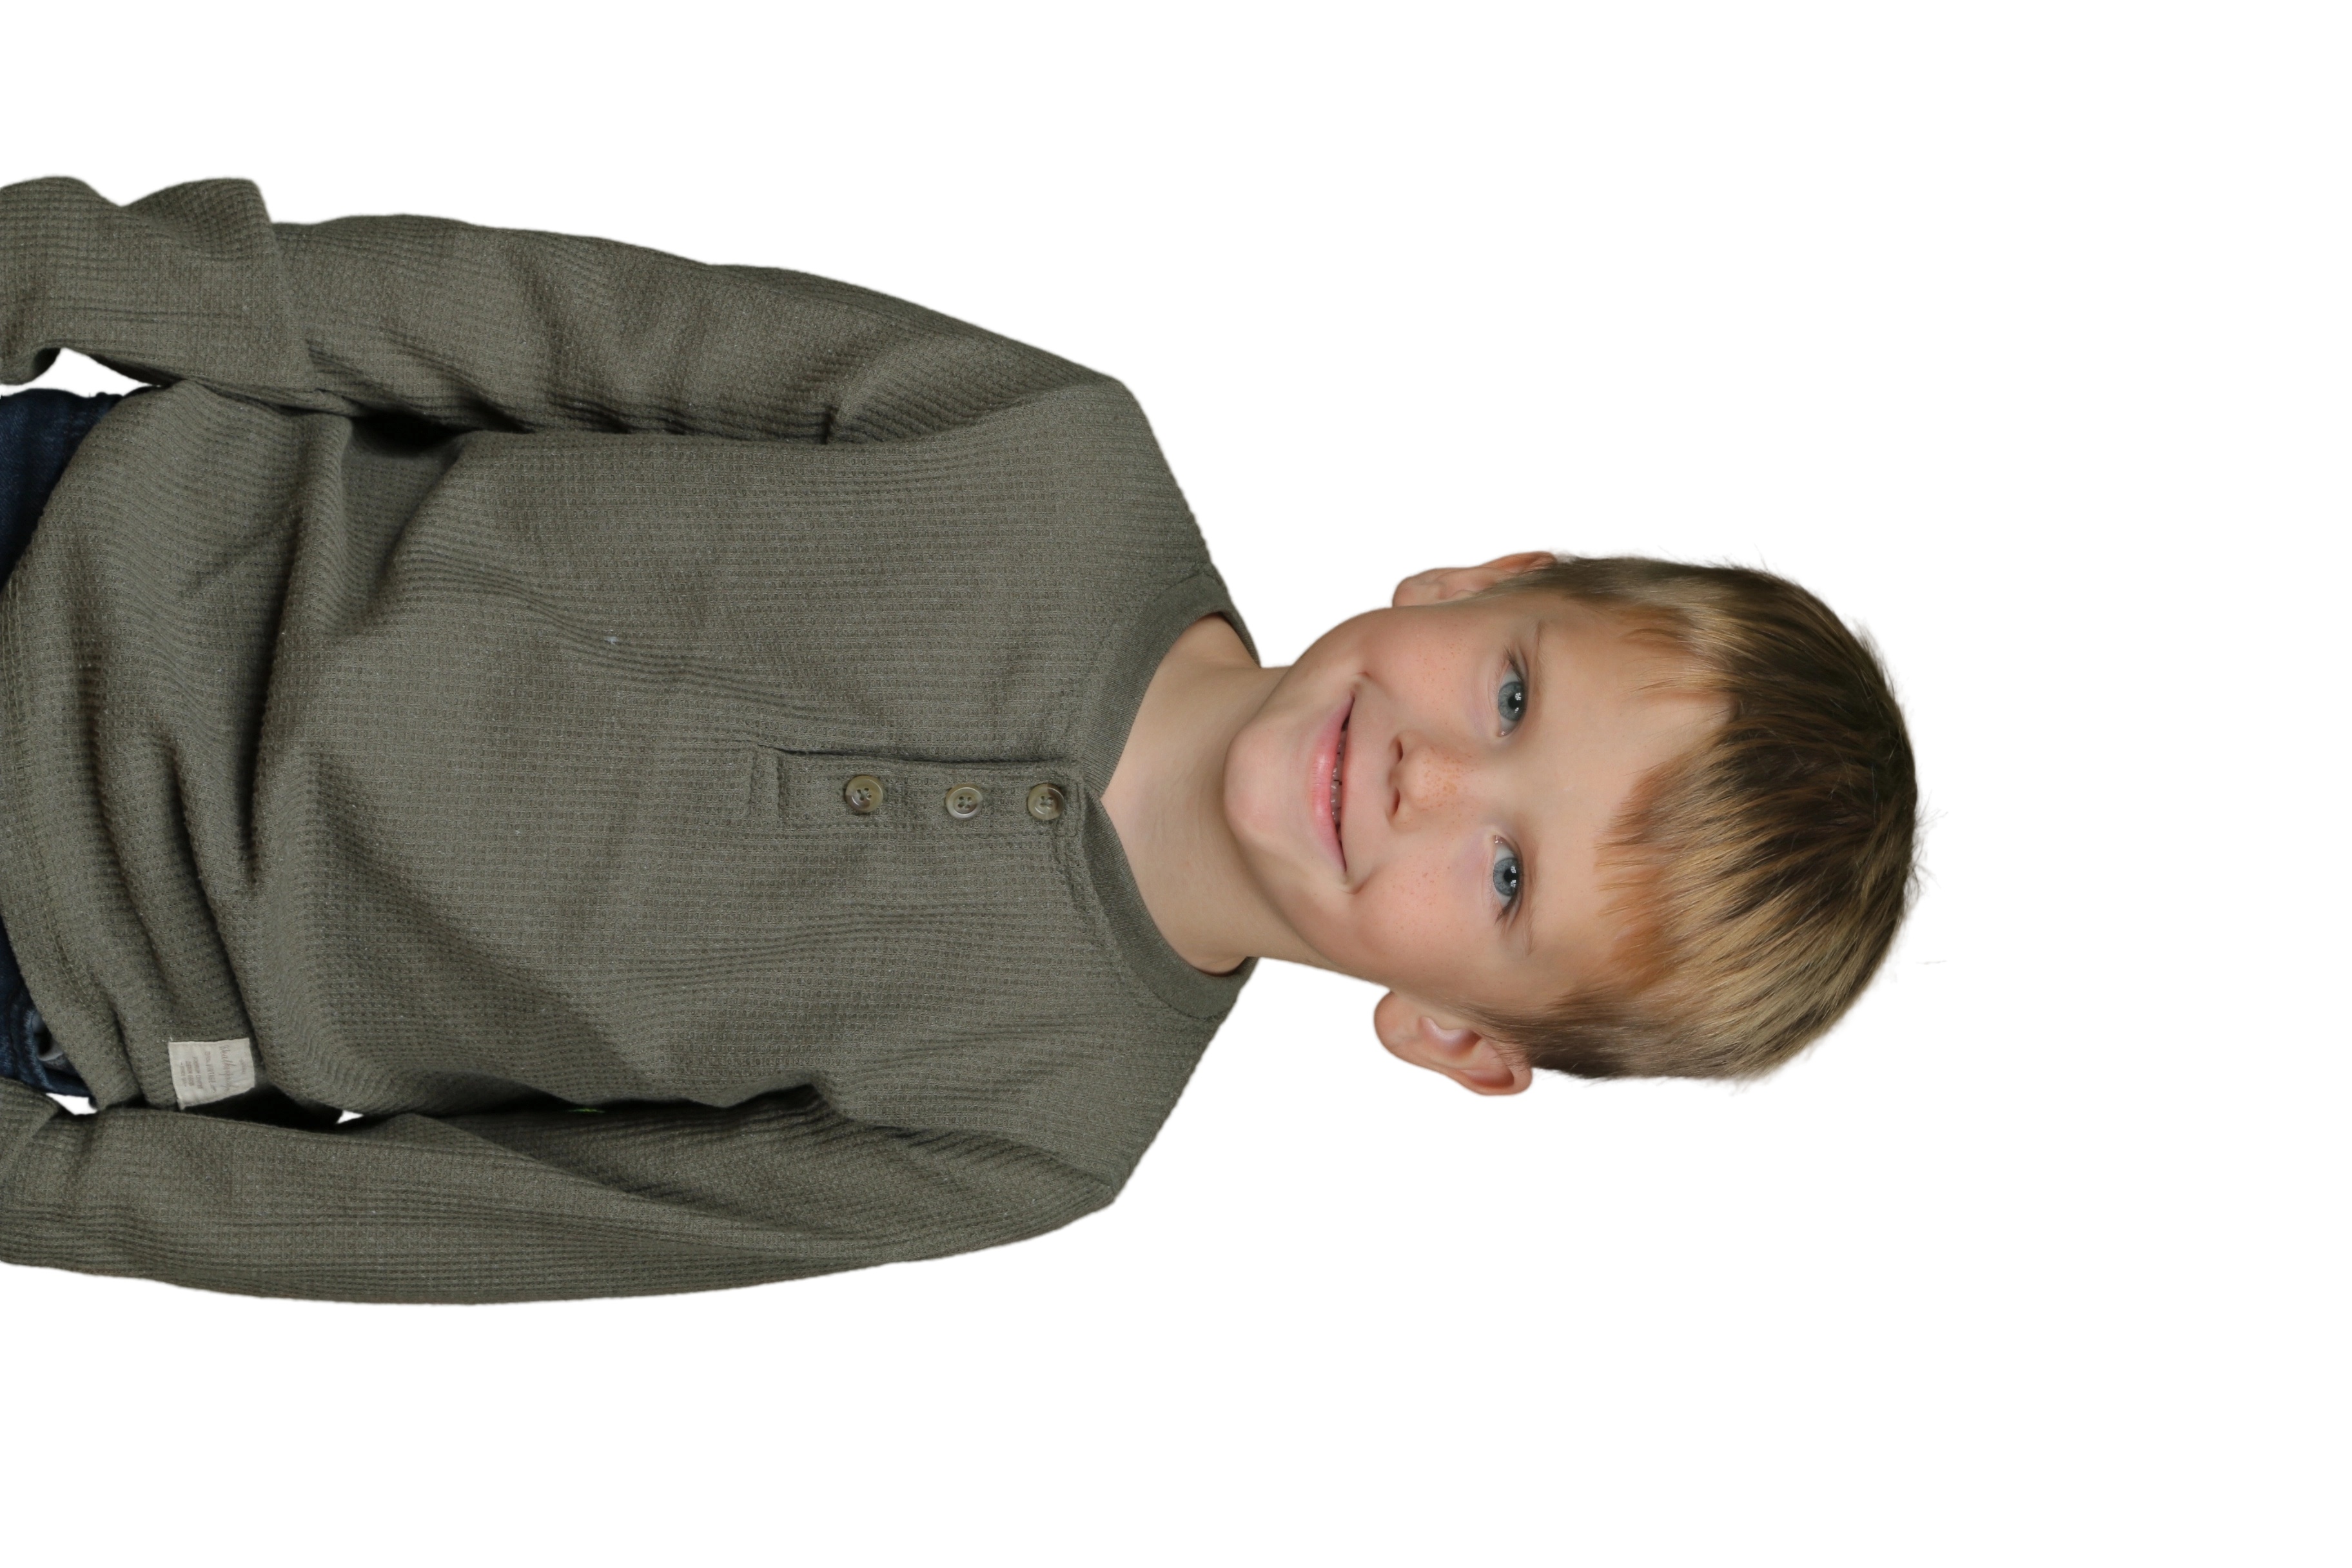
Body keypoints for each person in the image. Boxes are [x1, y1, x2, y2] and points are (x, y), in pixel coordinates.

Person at [0, 171, 1939, 1308]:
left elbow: (499, 1219)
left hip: (57, 979)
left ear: (1459, 1040)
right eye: (1512, 696)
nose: (1437, 776)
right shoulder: (1057, 455)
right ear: (1480, 578)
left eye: (1506, 877)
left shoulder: (1041, 1137)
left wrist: (48, 1192)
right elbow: (555, 323)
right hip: (79, 514)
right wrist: (63, 272)